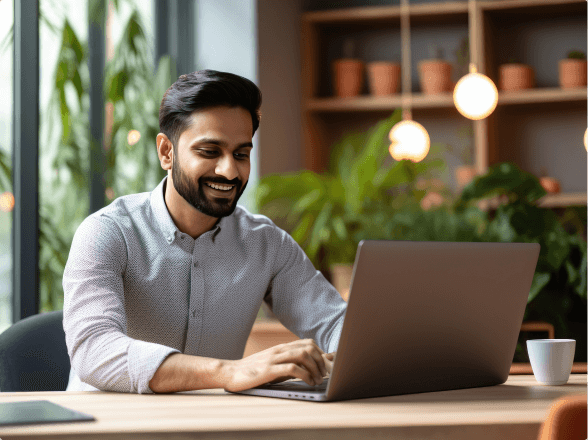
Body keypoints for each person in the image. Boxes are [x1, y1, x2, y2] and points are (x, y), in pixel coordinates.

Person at [63, 70, 347, 394]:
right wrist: (229, 372)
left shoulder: (266, 244)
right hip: (109, 428)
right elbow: (94, 351)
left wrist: (342, 358)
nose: (229, 170)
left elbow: (338, 324)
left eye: (241, 154)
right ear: (166, 153)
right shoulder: (107, 233)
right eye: (210, 152)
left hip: (212, 426)